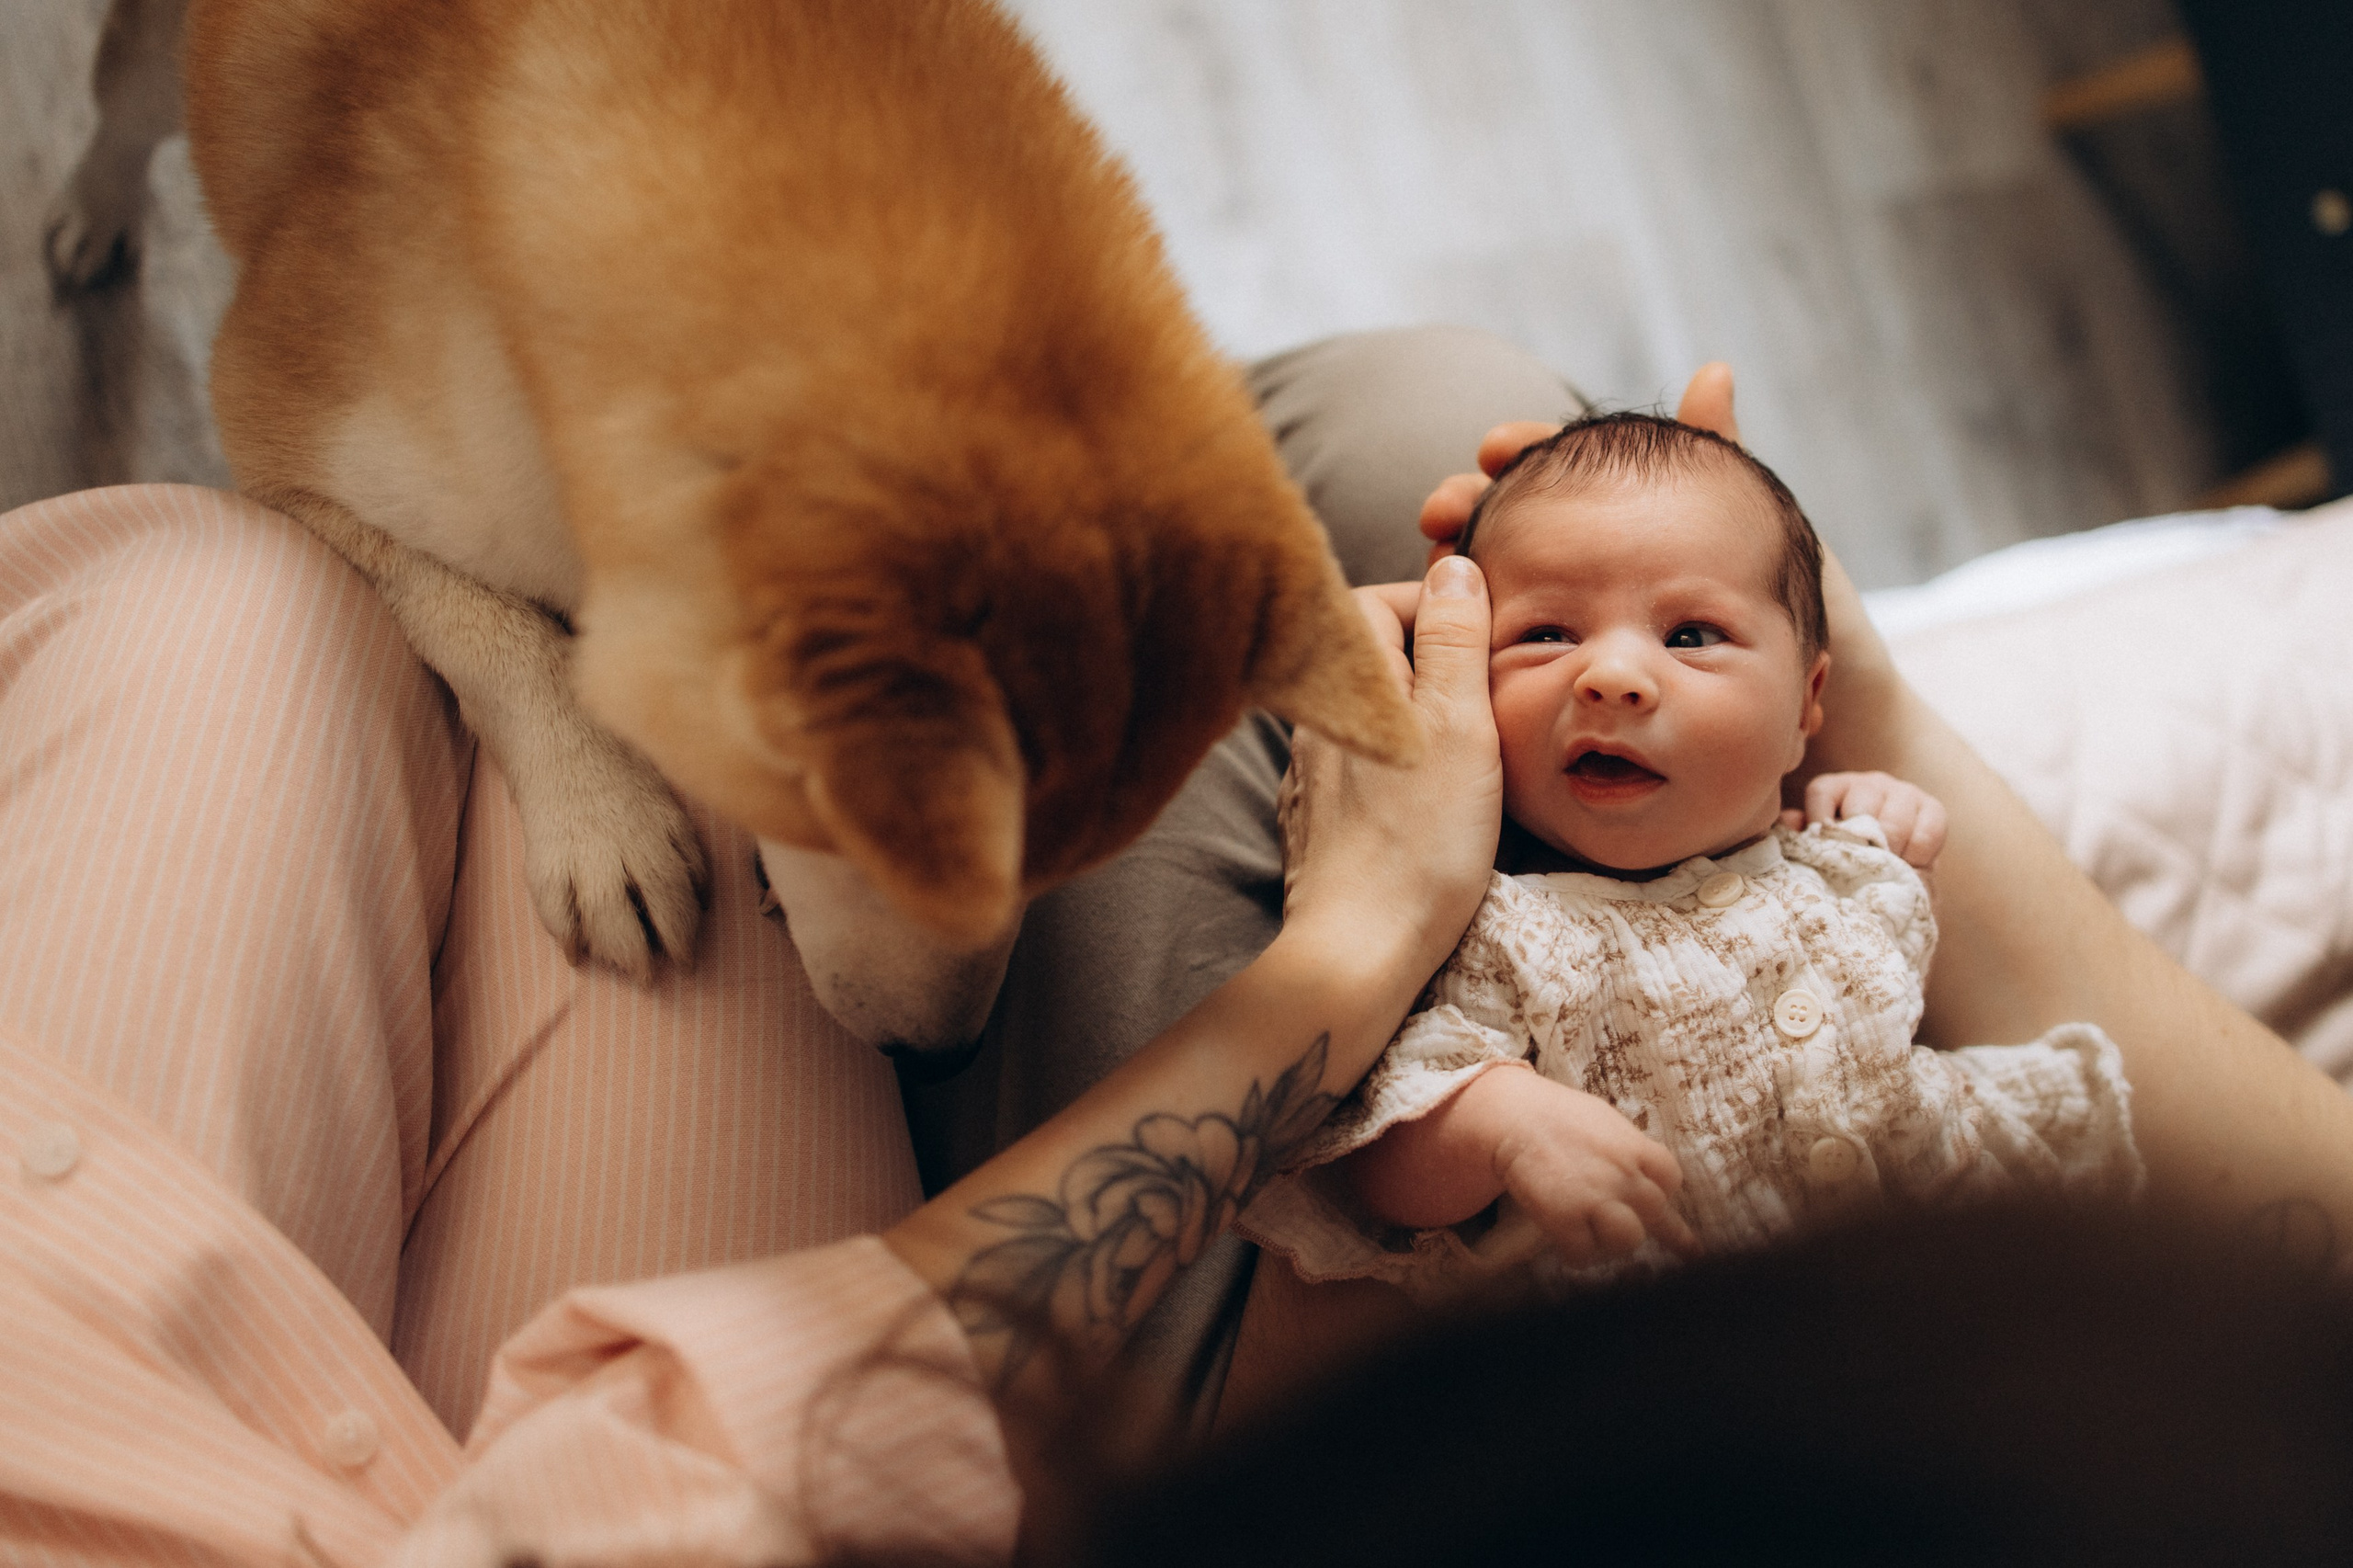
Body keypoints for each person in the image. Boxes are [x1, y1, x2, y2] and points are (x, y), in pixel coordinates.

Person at [4, 335, 2352, 1568]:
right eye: (1587, 643)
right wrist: (1806, 716)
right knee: (1441, 410)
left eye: (1704, 647)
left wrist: (1345, 977)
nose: (1609, 676)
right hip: (640, 1429)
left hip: (574, 1432)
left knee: (227, 604)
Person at [1238, 411, 2143, 1301]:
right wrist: (1504, 1124)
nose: (1612, 675)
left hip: (1956, 1246)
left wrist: (1883, 820)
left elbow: (1899, 975)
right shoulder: (1503, 931)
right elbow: (1384, 1156)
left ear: (1806, 703)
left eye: (1688, 635)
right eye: (1546, 633)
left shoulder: (1830, 858)